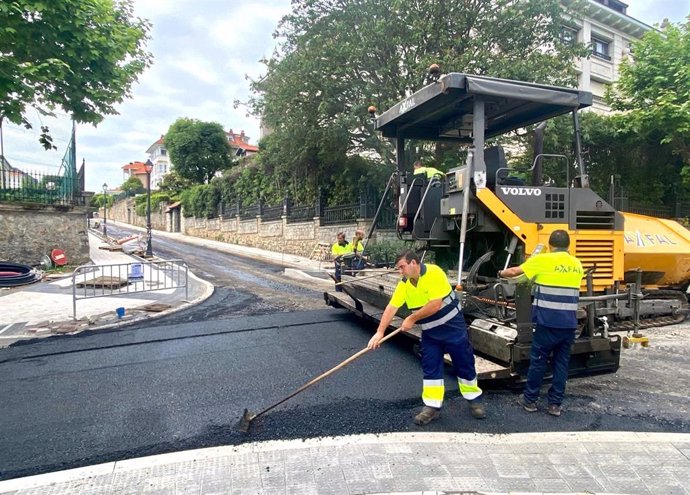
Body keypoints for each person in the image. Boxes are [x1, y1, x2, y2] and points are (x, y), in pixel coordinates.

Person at [367, 250, 486, 425]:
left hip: (453, 329)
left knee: (464, 363)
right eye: (398, 268)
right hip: (431, 333)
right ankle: (432, 407)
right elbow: (392, 307)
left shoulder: (434, 272)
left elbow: (435, 305)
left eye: (402, 267)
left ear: (414, 263)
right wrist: (380, 332)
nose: (400, 271)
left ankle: (474, 399)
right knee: (431, 368)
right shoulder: (405, 284)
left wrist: (411, 318)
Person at [498, 230, 584, 417]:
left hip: (547, 323)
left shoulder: (544, 260)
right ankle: (555, 405)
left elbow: (514, 272)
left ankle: (530, 401)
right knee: (561, 364)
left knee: (538, 362)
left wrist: (500, 272)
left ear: (550, 245)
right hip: (569, 324)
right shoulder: (577, 264)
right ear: (568, 245)